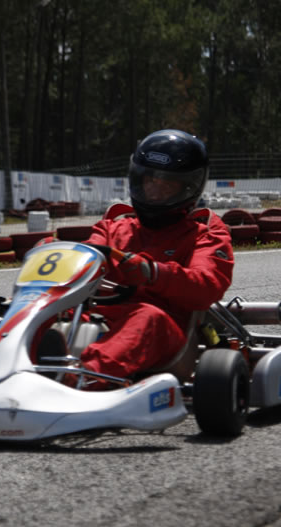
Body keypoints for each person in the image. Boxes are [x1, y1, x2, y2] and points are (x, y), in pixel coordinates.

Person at [66, 129, 234, 380]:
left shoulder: (203, 235)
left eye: (166, 184)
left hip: (165, 333)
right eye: (150, 181)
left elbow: (206, 286)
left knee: (147, 317)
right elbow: (84, 261)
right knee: (47, 309)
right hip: (101, 318)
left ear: (189, 187)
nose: (154, 191)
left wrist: (153, 272)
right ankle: (6, 361)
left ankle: (86, 377)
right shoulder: (112, 228)